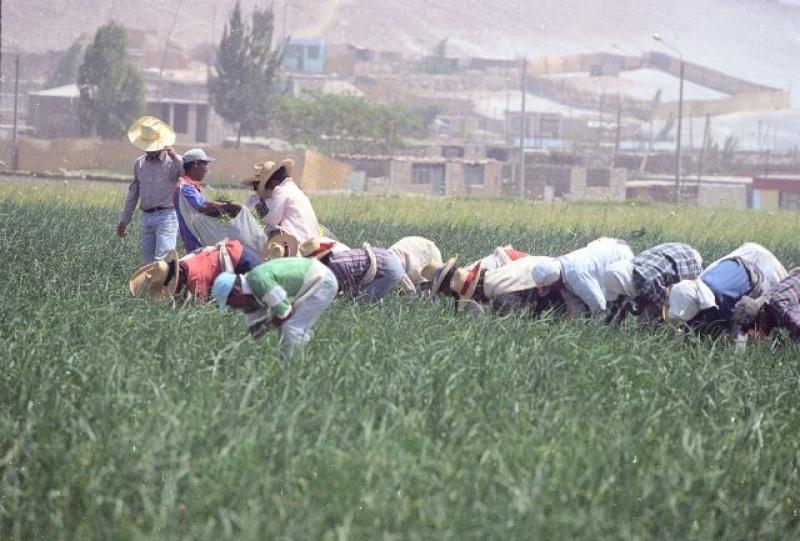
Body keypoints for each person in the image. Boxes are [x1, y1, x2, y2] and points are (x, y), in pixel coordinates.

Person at [211, 257, 339, 359]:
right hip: (312, 282)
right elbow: (255, 331)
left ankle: (295, 370)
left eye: (230, 302)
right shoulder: (249, 299)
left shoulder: (258, 280)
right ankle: (295, 362)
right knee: (289, 328)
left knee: (292, 327)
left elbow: (285, 313)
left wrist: (267, 325)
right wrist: (232, 349)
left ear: (237, 291)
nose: (232, 308)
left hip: (322, 280)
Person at [666, 243, 786, 337]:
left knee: (735, 329)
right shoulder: (700, 283)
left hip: (757, 281)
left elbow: (732, 322)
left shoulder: (721, 299)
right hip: (742, 258)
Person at [117, 116, 183, 263]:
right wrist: (124, 221)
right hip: (147, 218)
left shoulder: (173, 162)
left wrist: (175, 156)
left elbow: (186, 173)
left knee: (162, 263)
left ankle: (168, 286)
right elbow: (133, 195)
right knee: (148, 264)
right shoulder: (139, 164)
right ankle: (152, 287)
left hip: (167, 217)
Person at [129, 239, 262, 303]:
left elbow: (202, 308)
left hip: (241, 261)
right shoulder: (184, 262)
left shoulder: (196, 279)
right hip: (233, 253)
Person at [426, 255, 562, 317]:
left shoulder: (499, 295)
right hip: (548, 272)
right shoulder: (492, 276)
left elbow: (516, 320)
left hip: (553, 284)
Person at [602, 242, 703, 324]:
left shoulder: (647, 281)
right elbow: (614, 306)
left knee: (649, 320)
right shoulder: (620, 277)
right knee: (644, 317)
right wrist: (608, 325)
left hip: (685, 259)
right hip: (672, 251)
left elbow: (665, 305)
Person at [531, 238, 635, 317]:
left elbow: (599, 306)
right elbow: (575, 305)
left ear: (554, 283)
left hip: (620, 258)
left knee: (617, 304)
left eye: (547, 287)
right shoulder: (560, 273)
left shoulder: (577, 276)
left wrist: (594, 331)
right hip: (608, 255)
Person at [173, 148, 242, 251]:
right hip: (193, 240)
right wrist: (228, 207)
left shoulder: (190, 185)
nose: (206, 169)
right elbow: (203, 207)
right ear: (196, 164)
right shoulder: (185, 187)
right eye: (204, 164)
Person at [299, 238, 405, 302]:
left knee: (360, 304)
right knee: (369, 300)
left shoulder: (335, 267)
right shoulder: (335, 258)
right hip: (386, 259)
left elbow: (350, 293)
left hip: (388, 269)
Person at [241, 159, 321, 243]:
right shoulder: (293, 189)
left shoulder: (280, 191)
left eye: (257, 185)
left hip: (298, 239)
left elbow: (272, 220)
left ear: (272, 182)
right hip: (311, 239)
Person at [732, 268, 800, 343]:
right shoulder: (766, 300)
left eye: (750, 333)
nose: (754, 337)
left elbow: (796, 323)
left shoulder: (779, 308)